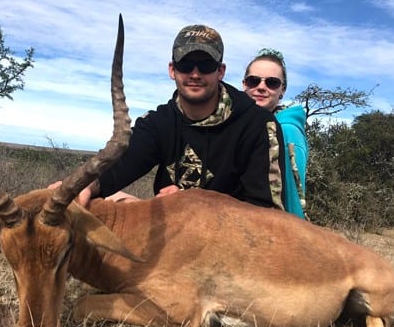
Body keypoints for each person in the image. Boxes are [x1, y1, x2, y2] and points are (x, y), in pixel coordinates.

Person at [54, 24, 286, 210]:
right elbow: (120, 164)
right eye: (185, 64)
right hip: (172, 246)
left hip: (231, 249)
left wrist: (191, 204)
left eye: (205, 65)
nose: (195, 74)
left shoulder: (258, 126)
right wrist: (81, 186)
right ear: (172, 70)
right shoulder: (158, 122)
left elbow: (265, 211)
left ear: (220, 71)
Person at [242, 48, 308, 218]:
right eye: (253, 81)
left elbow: (293, 194)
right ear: (244, 84)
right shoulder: (246, 125)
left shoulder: (287, 130)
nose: (261, 87)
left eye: (271, 82)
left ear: (282, 90)